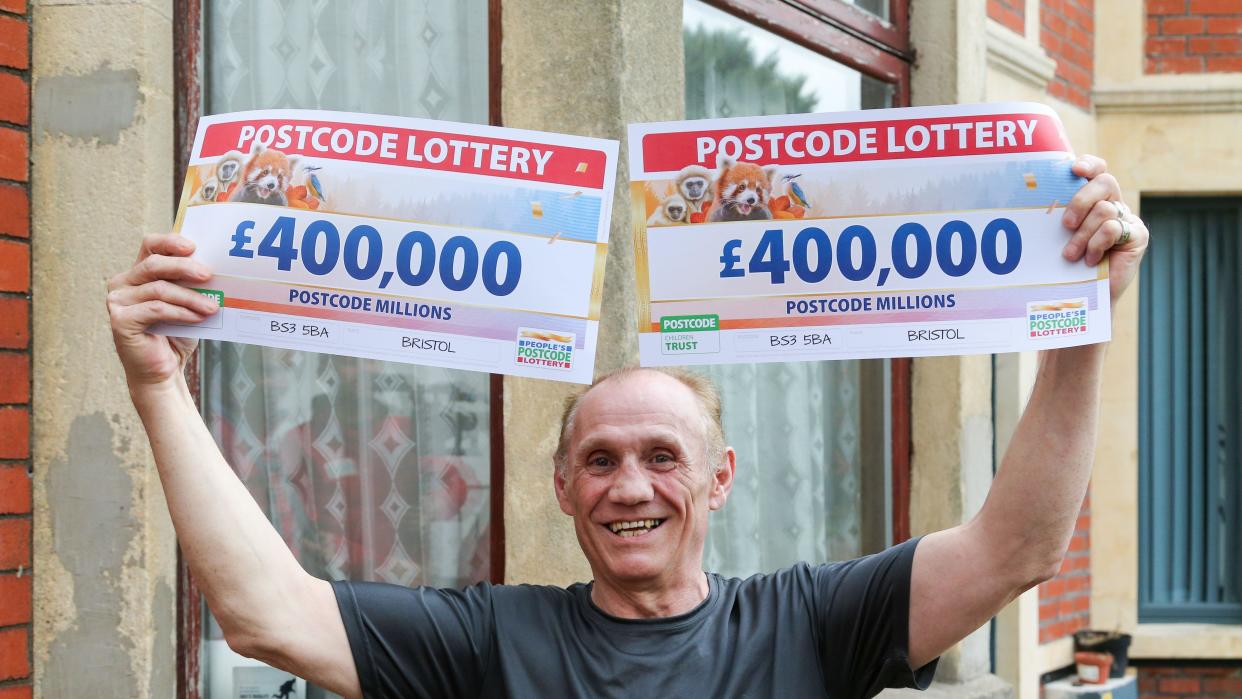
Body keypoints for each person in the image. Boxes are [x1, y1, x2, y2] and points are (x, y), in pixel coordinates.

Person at [107, 156, 1148, 698]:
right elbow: (267, 616)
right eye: (599, 460)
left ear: (721, 479)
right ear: (562, 486)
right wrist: (160, 386)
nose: (631, 486)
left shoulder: (810, 625)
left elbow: (1017, 549)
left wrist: (1081, 319)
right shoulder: (493, 642)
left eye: (663, 456)